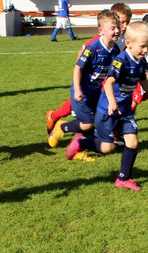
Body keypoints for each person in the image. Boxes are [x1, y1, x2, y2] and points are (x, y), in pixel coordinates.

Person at [64, 21, 148, 190]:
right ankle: (82, 142)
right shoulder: (120, 61)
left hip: (125, 110)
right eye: (142, 46)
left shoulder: (141, 62)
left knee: (132, 143)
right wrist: (111, 102)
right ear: (128, 44)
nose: (145, 50)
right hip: (107, 110)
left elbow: (143, 81)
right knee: (107, 148)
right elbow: (109, 83)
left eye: (147, 46)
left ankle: (123, 178)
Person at [45, 3, 133, 137]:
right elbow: (81, 55)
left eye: (127, 22)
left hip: (101, 81)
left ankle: (106, 134)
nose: (124, 26)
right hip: (89, 81)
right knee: (86, 111)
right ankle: (58, 119)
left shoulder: (120, 39)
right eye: (122, 22)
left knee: (100, 111)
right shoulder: (98, 42)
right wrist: (87, 73)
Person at [48, 10, 121, 158]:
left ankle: (78, 150)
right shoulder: (93, 48)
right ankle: (62, 127)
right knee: (88, 123)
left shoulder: (116, 49)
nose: (117, 30)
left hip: (98, 93)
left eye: (118, 27)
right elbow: (78, 68)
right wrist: (77, 90)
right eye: (113, 28)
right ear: (101, 30)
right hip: (83, 92)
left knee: (96, 121)